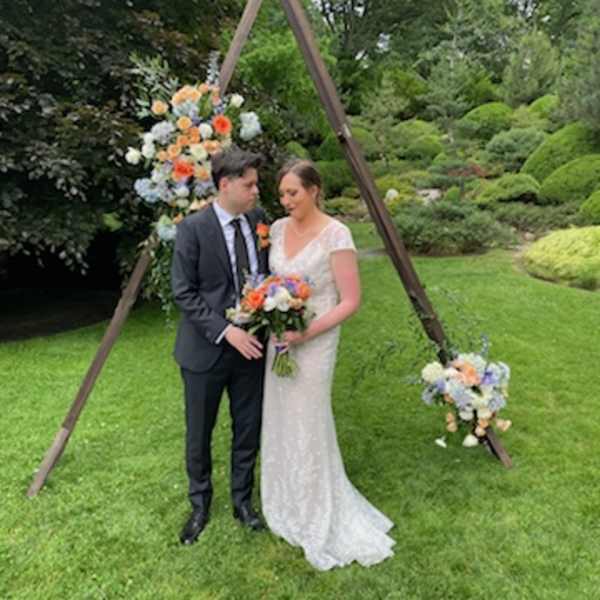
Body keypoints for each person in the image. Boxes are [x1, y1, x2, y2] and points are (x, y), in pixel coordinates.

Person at [260, 159, 395, 570]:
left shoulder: (337, 234)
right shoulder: (277, 230)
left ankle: (315, 506)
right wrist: (271, 314)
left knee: (309, 417)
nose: (285, 201)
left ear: (314, 190)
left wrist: (305, 332)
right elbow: (272, 283)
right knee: (281, 416)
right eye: (281, 194)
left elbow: (350, 301)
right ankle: (285, 497)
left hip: (315, 341)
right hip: (280, 338)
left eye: (293, 193)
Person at [171, 148, 269, 545]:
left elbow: (269, 275)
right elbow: (183, 291)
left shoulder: (260, 222)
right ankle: (199, 506)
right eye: (249, 185)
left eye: (256, 184)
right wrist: (226, 331)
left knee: (248, 428)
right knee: (199, 433)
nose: (256, 191)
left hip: (253, 348)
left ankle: (243, 502)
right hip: (205, 351)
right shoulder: (192, 229)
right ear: (225, 185)